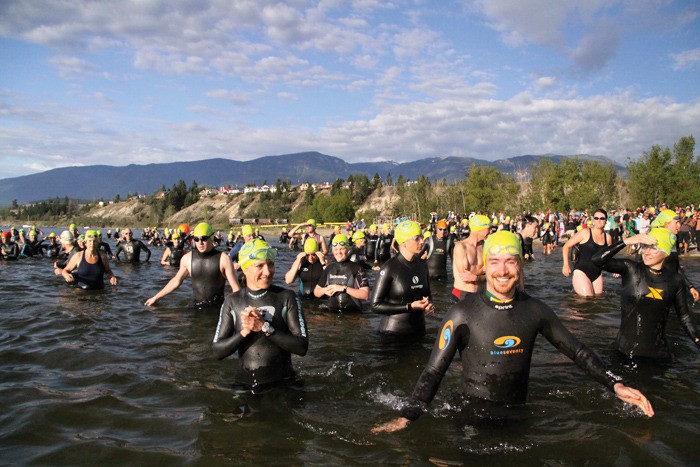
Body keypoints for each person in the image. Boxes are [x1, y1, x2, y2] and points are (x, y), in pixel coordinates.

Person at [372, 230, 654, 434]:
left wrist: (615, 384)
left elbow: (577, 351)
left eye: (510, 261)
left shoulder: (535, 310)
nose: (502, 271)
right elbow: (433, 372)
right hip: (471, 419)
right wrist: (407, 417)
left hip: (518, 417)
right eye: (495, 262)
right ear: (485, 267)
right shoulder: (462, 313)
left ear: (519, 266)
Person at [212, 239, 308, 387]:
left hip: (284, 384)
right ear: (245, 268)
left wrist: (265, 327)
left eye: (270, 264)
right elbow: (218, 351)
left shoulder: (286, 297)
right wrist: (245, 331)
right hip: (244, 384)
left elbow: (302, 347)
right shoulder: (232, 302)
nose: (267, 272)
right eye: (260, 266)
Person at [592, 228, 700, 359]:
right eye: (644, 246)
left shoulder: (675, 280)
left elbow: (684, 316)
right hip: (624, 352)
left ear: (666, 253)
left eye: (653, 248)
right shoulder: (631, 269)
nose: (646, 252)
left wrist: (696, 340)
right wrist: (626, 241)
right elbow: (597, 260)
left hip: (659, 355)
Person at [145, 223, 240, 309]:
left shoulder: (223, 259)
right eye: (196, 239)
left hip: (217, 309)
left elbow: (236, 289)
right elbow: (176, 281)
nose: (200, 243)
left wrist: (239, 311)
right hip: (196, 307)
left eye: (204, 239)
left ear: (211, 238)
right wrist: (156, 297)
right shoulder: (187, 258)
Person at [370, 220, 434, 336]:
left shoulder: (422, 265)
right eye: (417, 238)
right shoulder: (390, 267)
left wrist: (428, 304)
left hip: (419, 332)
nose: (422, 241)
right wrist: (409, 307)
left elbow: (428, 294)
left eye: (421, 237)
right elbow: (375, 305)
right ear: (404, 242)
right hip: (393, 334)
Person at [652, 209, 700, 302]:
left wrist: (690, 287)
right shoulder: (654, 240)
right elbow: (641, 265)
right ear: (666, 224)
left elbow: (675, 267)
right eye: (676, 223)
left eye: (679, 222)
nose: (679, 225)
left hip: (671, 286)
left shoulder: (672, 239)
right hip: (656, 290)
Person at [313, 234, 370, 313]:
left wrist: (344, 288)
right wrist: (324, 290)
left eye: (342, 249)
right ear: (332, 251)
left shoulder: (357, 268)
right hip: (333, 313)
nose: (338, 252)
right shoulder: (329, 268)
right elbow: (316, 291)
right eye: (335, 249)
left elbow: (365, 295)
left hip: (353, 314)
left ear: (348, 249)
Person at [561, 209, 612, 296]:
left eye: (602, 218)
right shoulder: (585, 232)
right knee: (587, 298)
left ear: (606, 221)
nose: (599, 220)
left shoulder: (608, 237)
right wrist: (566, 264)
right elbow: (566, 246)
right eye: (596, 218)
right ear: (593, 220)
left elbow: (608, 256)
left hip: (597, 274)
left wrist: (616, 270)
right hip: (581, 271)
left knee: (598, 299)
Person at [451, 214, 491, 301]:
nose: (490, 231)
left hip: (479, 294)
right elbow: (465, 276)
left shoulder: (484, 247)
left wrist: (476, 277)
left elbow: (490, 274)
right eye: (488, 228)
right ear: (480, 229)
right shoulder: (461, 247)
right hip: (462, 293)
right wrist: (483, 270)